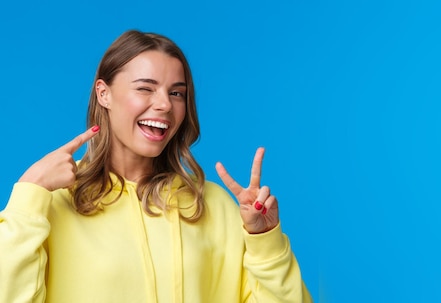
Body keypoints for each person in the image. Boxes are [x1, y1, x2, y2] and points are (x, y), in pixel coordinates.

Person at [0, 29, 312, 303]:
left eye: (176, 93)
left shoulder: (214, 205)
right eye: (145, 88)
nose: (165, 104)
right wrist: (28, 196)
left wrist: (265, 239)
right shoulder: (51, 203)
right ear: (104, 93)